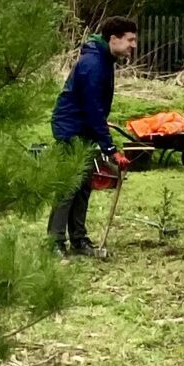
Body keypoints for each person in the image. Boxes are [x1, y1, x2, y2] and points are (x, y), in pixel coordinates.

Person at [48, 16, 137, 258]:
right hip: (72, 130)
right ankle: (55, 242)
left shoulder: (104, 59)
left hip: (83, 127)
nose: (133, 45)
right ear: (114, 39)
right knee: (68, 187)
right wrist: (110, 149)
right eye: (130, 40)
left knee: (83, 186)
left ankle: (78, 240)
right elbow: (92, 108)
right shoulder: (93, 64)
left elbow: (94, 108)